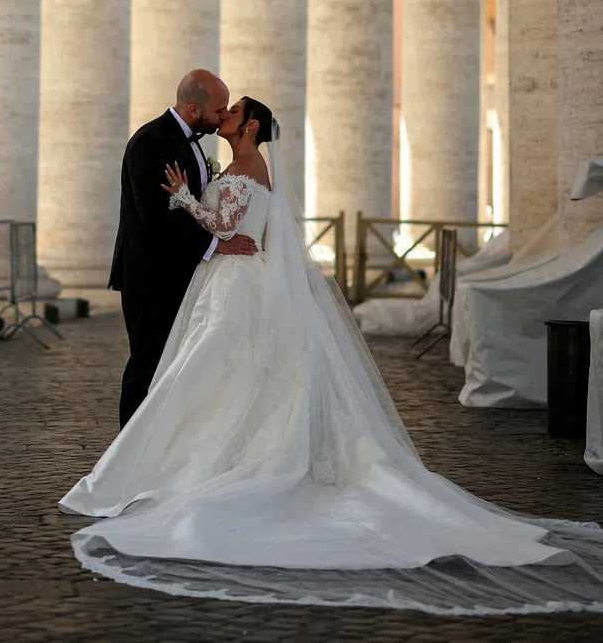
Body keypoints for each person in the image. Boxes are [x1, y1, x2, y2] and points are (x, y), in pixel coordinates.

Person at [62, 97, 603, 615]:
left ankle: (190, 463)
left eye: (235, 112)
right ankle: (192, 457)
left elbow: (226, 228)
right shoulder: (249, 167)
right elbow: (239, 227)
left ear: (250, 127)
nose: (225, 117)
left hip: (234, 286)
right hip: (236, 283)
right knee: (224, 375)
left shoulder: (247, 170)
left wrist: (182, 198)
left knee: (211, 372)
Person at [110, 70, 258, 428]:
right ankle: (127, 452)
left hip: (181, 272)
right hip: (151, 276)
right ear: (194, 109)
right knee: (147, 364)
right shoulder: (152, 142)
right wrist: (216, 245)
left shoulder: (189, 140)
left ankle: (161, 445)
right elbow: (155, 218)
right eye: (219, 110)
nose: (223, 116)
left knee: (175, 364)